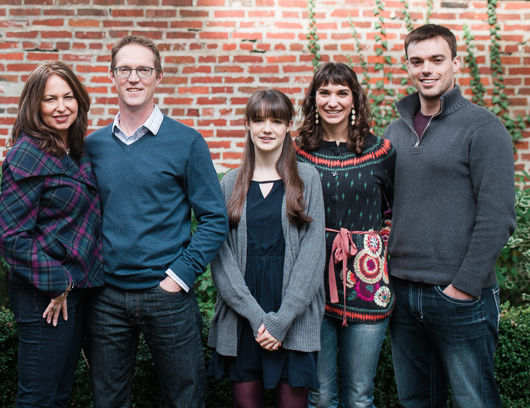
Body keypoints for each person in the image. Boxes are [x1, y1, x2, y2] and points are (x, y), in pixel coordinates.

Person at [84, 35, 228, 408]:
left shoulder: (186, 142)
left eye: (143, 69)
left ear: (158, 77)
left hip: (167, 295)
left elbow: (214, 219)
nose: (134, 78)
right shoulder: (92, 146)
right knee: (108, 401)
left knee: (186, 399)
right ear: (112, 76)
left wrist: (178, 276)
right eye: (125, 69)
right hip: (107, 297)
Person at [383, 24, 516, 408]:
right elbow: (388, 206)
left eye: (437, 60)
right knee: (415, 401)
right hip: (403, 294)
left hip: (459, 296)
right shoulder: (395, 131)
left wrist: (464, 287)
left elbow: (498, 216)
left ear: (455, 63)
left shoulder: (483, 128)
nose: (427, 69)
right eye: (417, 61)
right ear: (408, 67)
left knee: (474, 401)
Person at [208, 88, 325, 408]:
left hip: (293, 317)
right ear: (247, 125)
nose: (267, 128)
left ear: (289, 126)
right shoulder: (230, 183)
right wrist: (257, 318)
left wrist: (281, 320)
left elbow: (313, 255)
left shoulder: (307, 179)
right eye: (258, 120)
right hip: (243, 317)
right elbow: (221, 258)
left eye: (276, 120)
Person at [0, 61, 104, 408]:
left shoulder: (76, 151)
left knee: (59, 395)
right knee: (38, 398)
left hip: (76, 291)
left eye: (68, 96)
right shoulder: (27, 154)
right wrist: (57, 282)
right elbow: (12, 237)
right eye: (50, 99)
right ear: (35, 105)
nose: (61, 107)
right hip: (45, 294)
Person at [294, 62, 396, 408]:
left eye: (342, 92)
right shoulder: (295, 153)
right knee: (320, 396)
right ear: (314, 98)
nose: (332, 101)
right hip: (311, 283)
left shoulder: (381, 152)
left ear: (355, 100)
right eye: (324, 92)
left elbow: (396, 210)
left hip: (367, 282)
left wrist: (377, 243)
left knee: (359, 396)